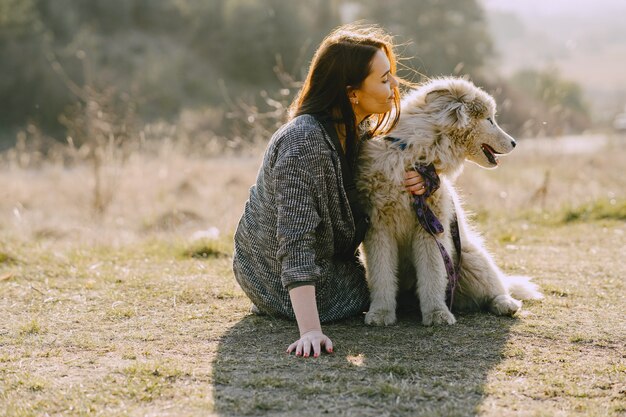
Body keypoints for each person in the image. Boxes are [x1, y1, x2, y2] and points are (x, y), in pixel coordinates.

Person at [232, 24, 426, 359]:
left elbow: (418, 154)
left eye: (391, 75)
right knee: (400, 298)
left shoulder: (357, 130)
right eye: (383, 79)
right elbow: (294, 238)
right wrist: (310, 330)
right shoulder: (304, 142)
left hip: (331, 262)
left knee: (409, 288)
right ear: (352, 91)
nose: (395, 85)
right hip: (276, 277)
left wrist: (426, 180)